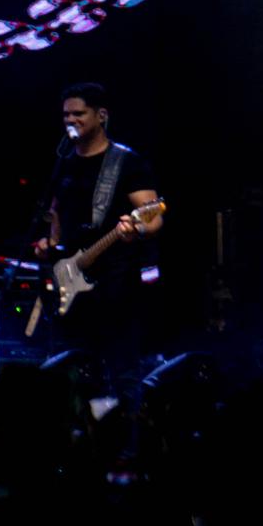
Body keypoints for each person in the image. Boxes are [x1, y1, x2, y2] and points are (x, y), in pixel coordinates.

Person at [30, 83, 162, 390]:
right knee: (73, 370)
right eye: (66, 115)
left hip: (116, 284)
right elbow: (55, 212)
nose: (70, 120)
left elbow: (153, 215)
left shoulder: (126, 162)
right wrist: (51, 243)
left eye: (79, 114)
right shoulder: (64, 163)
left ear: (101, 115)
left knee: (119, 370)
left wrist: (137, 229)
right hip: (72, 285)